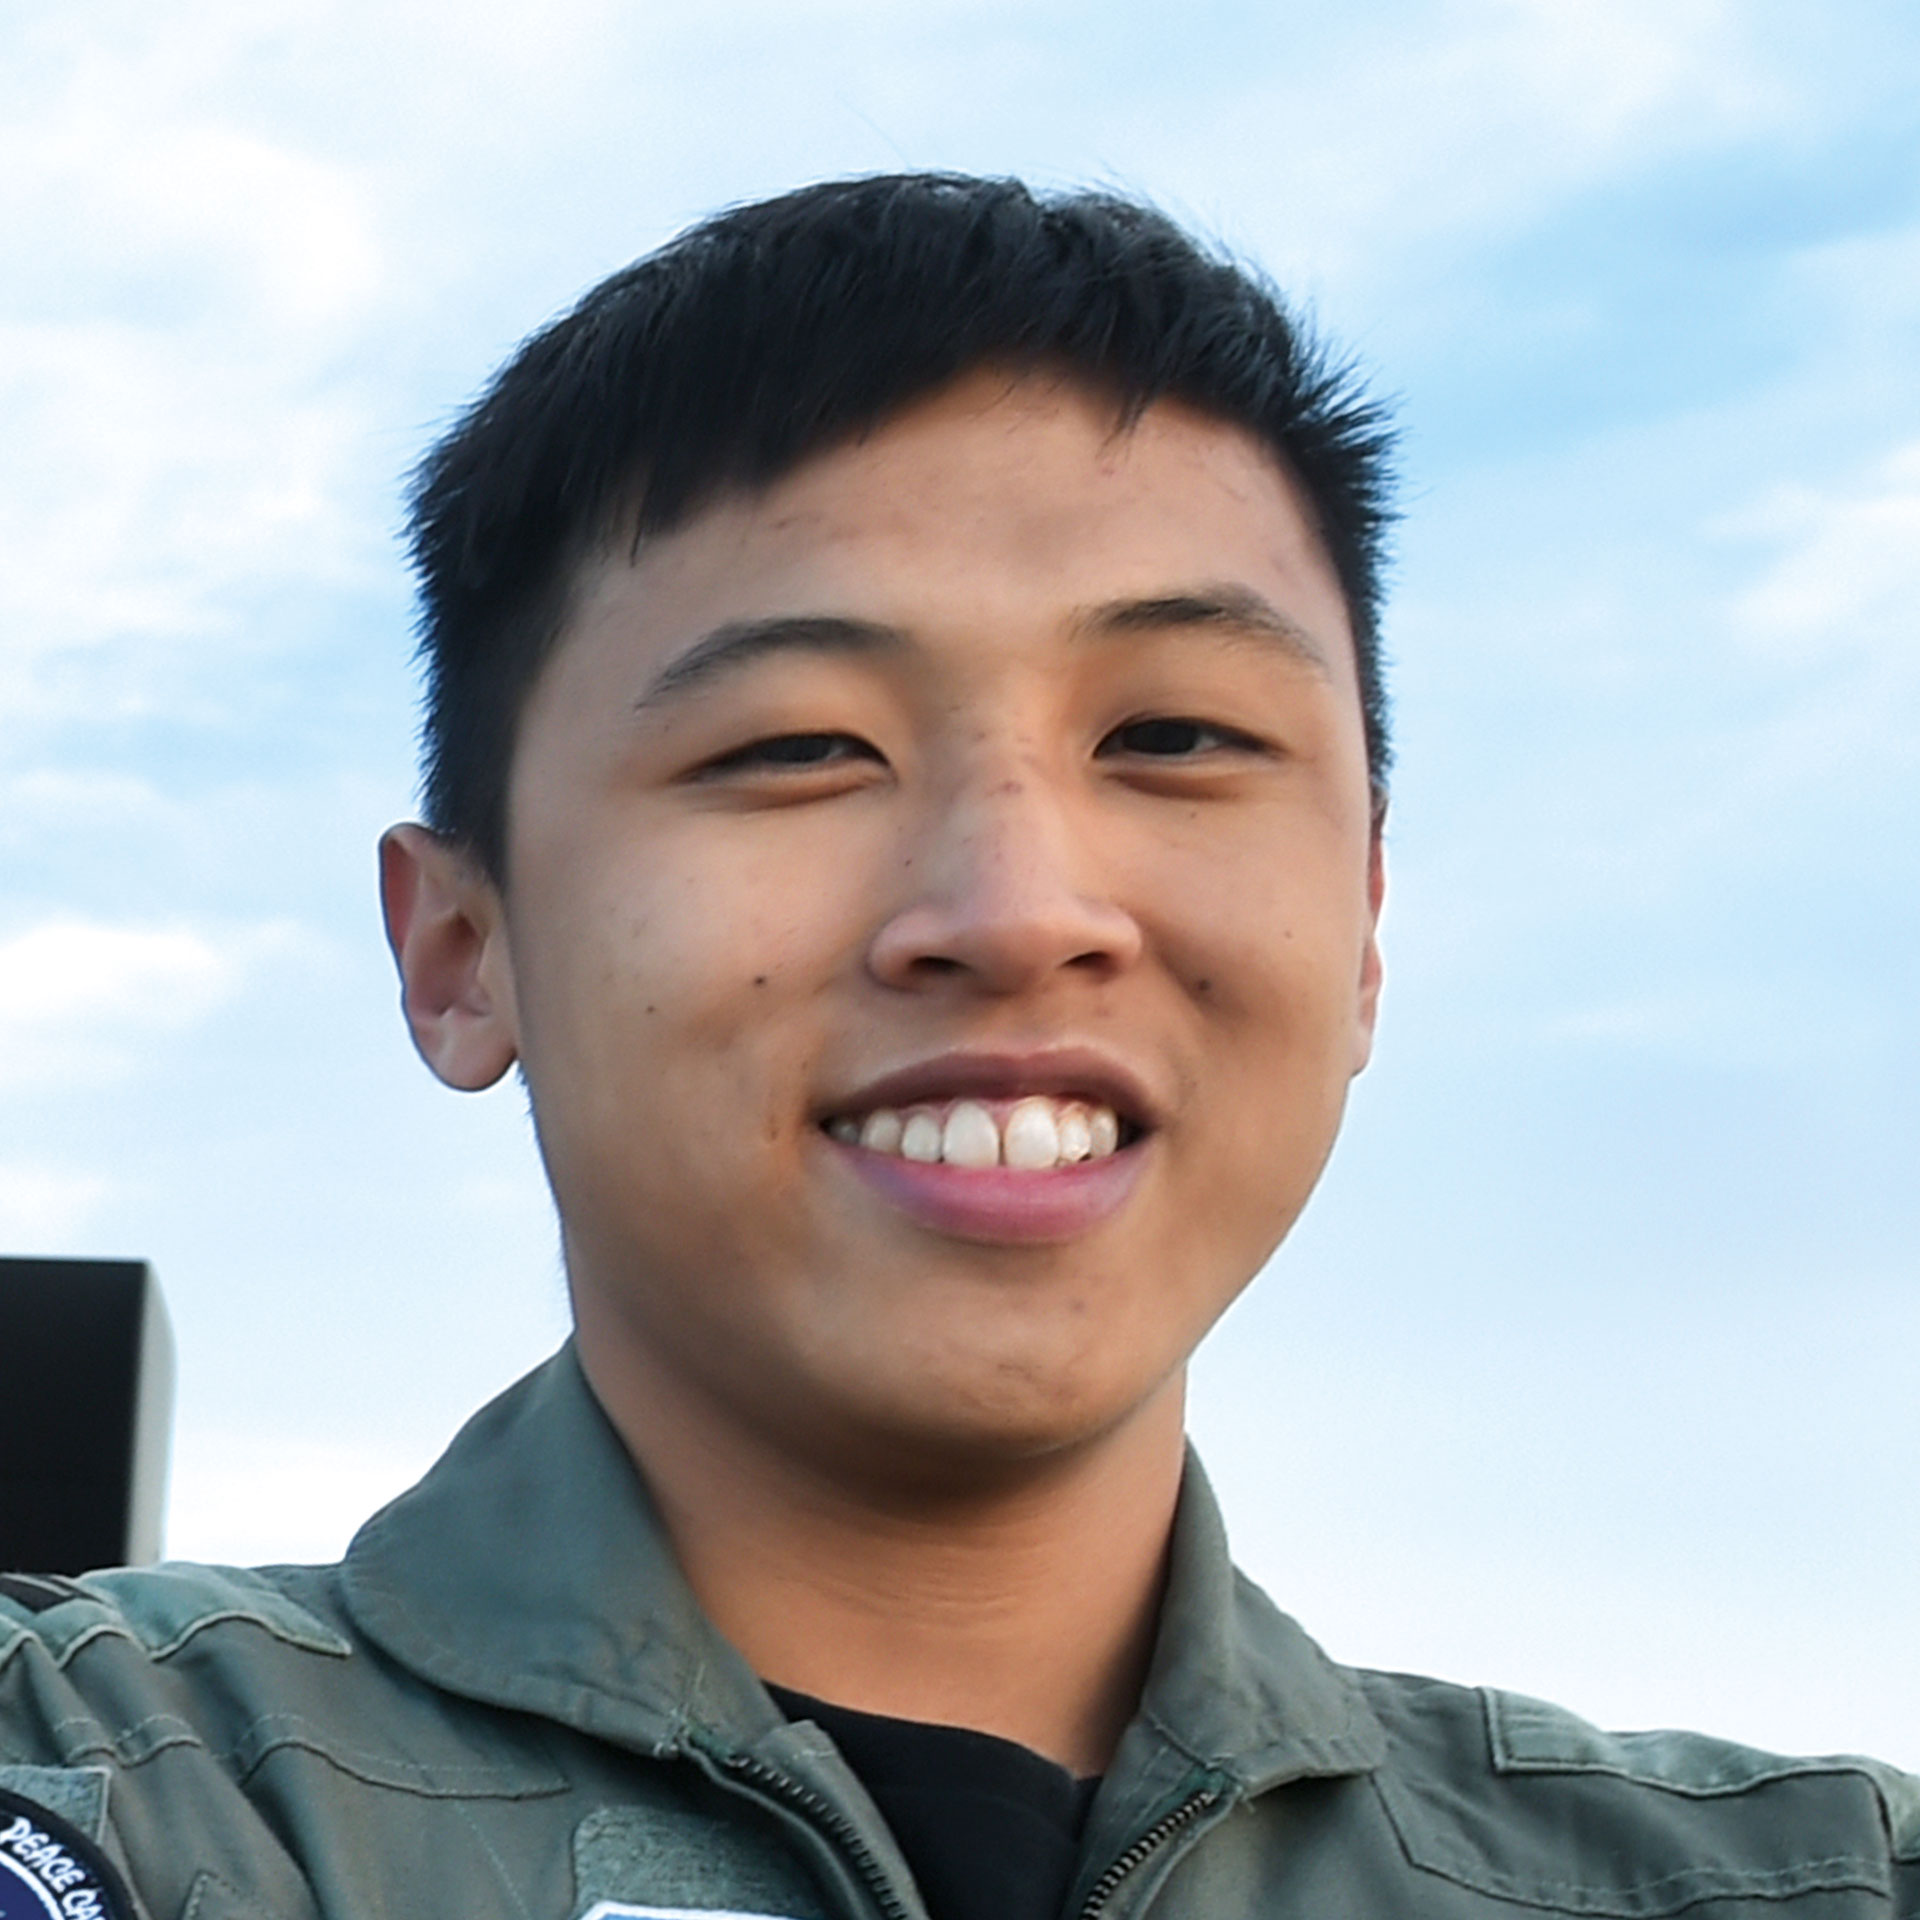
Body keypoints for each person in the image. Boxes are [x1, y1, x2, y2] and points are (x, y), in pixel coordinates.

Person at [0, 172, 1911, 1920]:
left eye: (1174, 737)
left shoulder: (1804, 1884)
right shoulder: (113, 1800)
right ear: (459, 952)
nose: (1014, 908)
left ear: (1363, 930)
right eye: (796, 747)